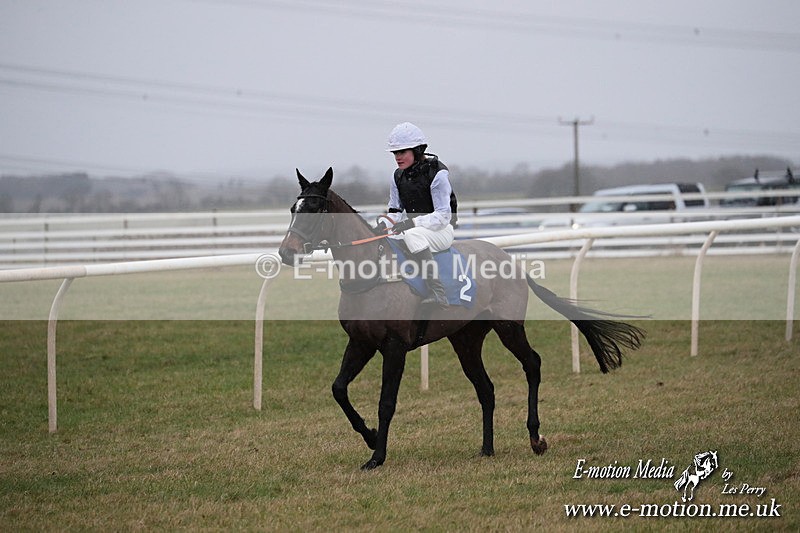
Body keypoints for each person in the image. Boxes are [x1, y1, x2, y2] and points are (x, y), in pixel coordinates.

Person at [377, 122, 458, 308]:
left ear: (417, 150)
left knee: (412, 235)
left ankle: (438, 292)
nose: (397, 157)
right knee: (388, 238)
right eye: (395, 153)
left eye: (402, 152)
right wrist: (384, 224)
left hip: (442, 231)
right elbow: (395, 210)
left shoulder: (438, 173)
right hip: (417, 230)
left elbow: (442, 217)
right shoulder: (397, 176)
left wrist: (412, 224)